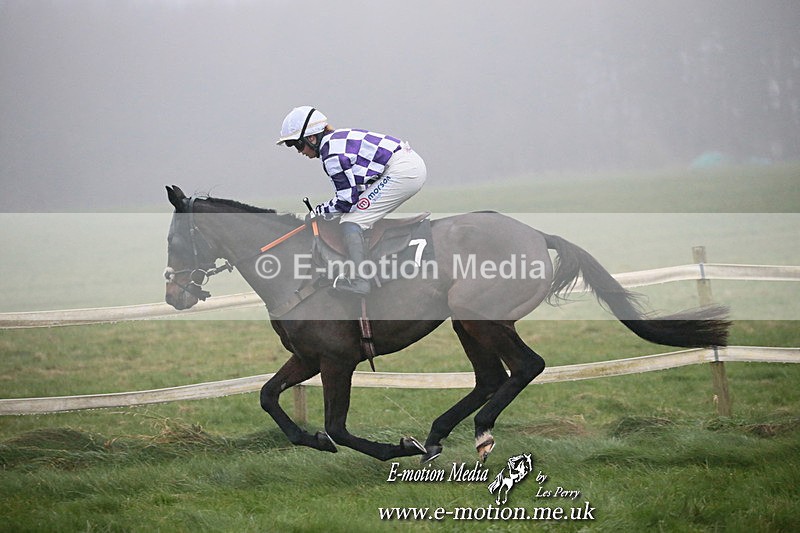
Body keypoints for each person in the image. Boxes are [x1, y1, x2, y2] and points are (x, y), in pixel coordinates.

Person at [276, 106, 427, 296]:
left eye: (297, 145)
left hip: (403, 172)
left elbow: (346, 201)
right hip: (404, 165)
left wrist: (318, 212)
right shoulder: (334, 142)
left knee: (352, 221)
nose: (299, 151)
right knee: (357, 213)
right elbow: (353, 194)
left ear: (312, 138)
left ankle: (360, 281)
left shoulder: (331, 155)